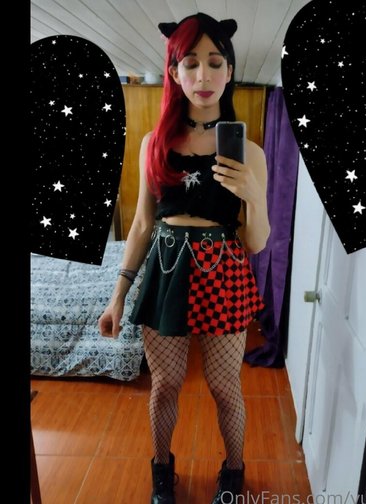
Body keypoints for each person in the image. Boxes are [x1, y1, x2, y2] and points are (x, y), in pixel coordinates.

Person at [98, 12, 270, 504]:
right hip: (167, 268)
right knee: (165, 385)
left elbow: (257, 242)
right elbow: (140, 226)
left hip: (225, 270)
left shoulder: (250, 152)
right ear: (173, 72)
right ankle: (161, 472)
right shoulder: (155, 144)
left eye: (215, 62)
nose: (203, 75)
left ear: (230, 71)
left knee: (225, 387)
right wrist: (117, 297)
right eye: (190, 63)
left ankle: (233, 472)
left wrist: (253, 196)